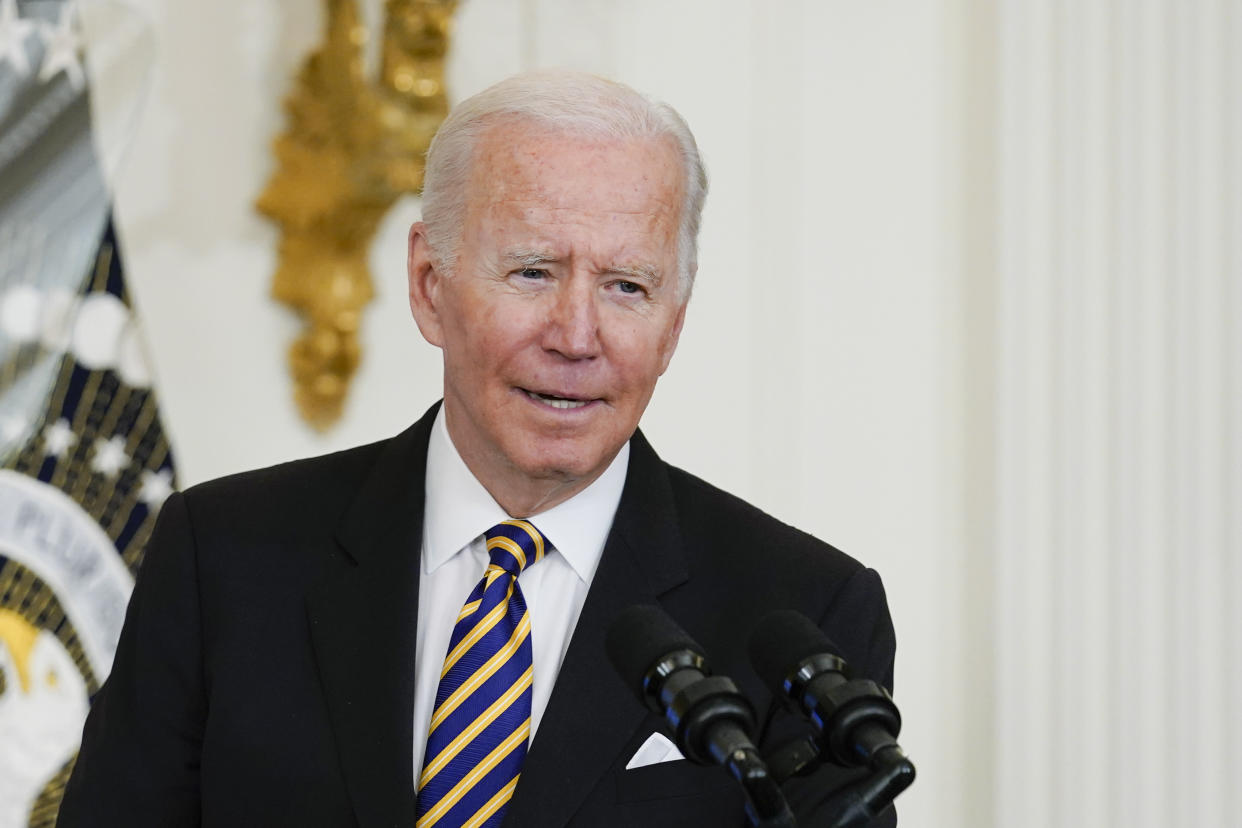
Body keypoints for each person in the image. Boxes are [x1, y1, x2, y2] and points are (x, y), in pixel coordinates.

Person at [59, 70, 896, 827]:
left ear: (673, 325)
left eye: (627, 287)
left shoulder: (803, 612)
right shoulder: (224, 559)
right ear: (429, 285)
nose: (577, 335)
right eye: (533, 271)